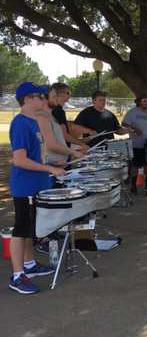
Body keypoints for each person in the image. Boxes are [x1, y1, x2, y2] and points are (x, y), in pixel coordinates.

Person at [8, 82, 65, 294]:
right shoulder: (21, 124)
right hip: (25, 186)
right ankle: (17, 275)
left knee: (31, 229)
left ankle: (30, 265)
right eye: (40, 96)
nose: (44, 100)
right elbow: (19, 160)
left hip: (39, 183)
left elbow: (36, 155)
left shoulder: (35, 123)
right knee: (20, 230)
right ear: (27, 99)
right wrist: (48, 167)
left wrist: (54, 165)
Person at [36, 88, 83, 169]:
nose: (57, 99)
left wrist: (75, 148)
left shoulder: (51, 116)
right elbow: (50, 145)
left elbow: (58, 140)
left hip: (59, 165)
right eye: (54, 97)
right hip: (52, 169)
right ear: (44, 99)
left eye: (57, 96)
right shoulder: (41, 117)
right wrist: (73, 152)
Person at [50, 82, 89, 151]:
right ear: (59, 94)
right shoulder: (58, 111)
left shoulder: (55, 110)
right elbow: (64, 135)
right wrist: (81, 143)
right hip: (60, 152)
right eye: (68, 92)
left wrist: (80, 141)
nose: (70, 95)